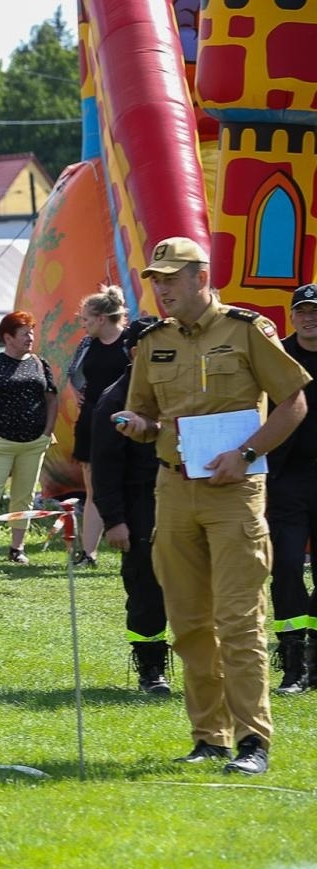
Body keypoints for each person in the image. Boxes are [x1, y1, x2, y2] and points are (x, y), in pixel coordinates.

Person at [114, 237, 310, 775]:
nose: (162, 288)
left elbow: (293, 400)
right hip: (173, 489)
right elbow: (147, 416)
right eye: (156, 279)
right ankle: (210, 738)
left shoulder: (247, 330)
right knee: (189, 622)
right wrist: (139, 427)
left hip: (235, 492)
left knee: (239, 619)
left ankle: (254, 743)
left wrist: (247, 453)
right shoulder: (153, 343)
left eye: (172, 278)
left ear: (202, 276)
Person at [90, 356, 170, 695]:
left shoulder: (174, 387)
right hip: (139, 506)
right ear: (134, 351)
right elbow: (104, 469)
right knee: (146, 588)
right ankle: (150, 668)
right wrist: (115, 521)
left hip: (181, 496)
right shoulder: (115, 399)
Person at [0, 311, 58, 565]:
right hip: (0, 443)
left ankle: (17, 549)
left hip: (33, 444)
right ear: (8, 337)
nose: (30, 337)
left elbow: (52, 398)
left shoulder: (40, 363)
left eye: (32, 331)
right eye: (24, 333)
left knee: (24, 496)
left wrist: (47, 432)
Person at [266, 282, 317, 693]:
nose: (309, 317)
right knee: (284, 566)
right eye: (302, 310)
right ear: (292, 315)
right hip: (286, 480)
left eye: (315, 310)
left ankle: (314, 662)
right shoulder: (277, 355)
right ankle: (293, 666)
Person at [70, 285, 131, 567]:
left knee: (131, 483)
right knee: (93, 488)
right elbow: (74, 374)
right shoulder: (87, 344)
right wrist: (80, 394)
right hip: (91, 422)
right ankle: (88, 553)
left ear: (102, 318)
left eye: (86, 319)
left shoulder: (131, 342)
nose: (83, 324)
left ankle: (133, 543)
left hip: (126, 423)